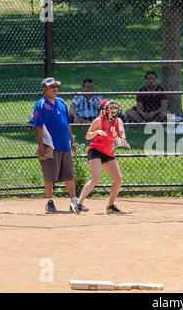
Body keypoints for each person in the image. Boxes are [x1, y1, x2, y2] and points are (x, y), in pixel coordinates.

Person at [72, 99, 131, 214]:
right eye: (110, 109)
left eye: (115, 109)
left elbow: (122, 132)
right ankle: (78, 204)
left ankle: (110, 206)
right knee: (96, 178)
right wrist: (97, 131)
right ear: (104, 110)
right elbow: (87, 136)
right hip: (95, 151)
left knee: (118, 179)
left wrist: (122, 139)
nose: (113, 111)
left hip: (108, 152)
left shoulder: (118, 121)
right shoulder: (98, 121)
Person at [32, 77, 79, 214]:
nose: (55, 88)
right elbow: (38, 126)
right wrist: (40, 146)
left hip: (65, 144)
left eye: (56, 86)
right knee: (49, 174)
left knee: (69, 174)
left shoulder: (61, 102)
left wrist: (72, 140)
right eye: (52, 87)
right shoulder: (40, 105)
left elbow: (66, 123)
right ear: (44, 89)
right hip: (50, 145)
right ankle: (49, 201)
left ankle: (74, 201)